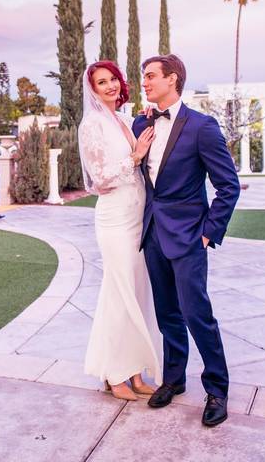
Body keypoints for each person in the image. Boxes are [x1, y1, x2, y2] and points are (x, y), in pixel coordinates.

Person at [132, 53, 240, 427]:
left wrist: (209, 232)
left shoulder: (202, 127)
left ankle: (217, 389)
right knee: (167, 315)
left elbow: (228, 186)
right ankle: (174, 379)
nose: (144, 82)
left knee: (198, 314)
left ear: (172, 79)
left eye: (150, 76)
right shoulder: (139, 123)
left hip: (189, 236)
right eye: (143, 77)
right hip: (153, 234)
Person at [78, 60, 163, 401]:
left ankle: (134, 372)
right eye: (102, 82)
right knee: (119, 293)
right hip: (114, 218)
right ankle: (114, 375)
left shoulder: (123, 119)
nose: (110, 85)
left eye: (113, 79)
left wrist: (147, 120)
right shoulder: (91, 125)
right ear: (94, 90)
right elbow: (100, 179)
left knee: (138, 295)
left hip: (138, 215)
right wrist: (135, 156)